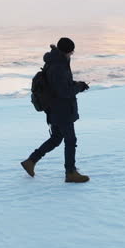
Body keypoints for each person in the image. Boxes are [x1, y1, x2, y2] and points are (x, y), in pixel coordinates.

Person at [21, 37, 90, 183]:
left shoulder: (56, 61)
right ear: (67, 51)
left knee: (56, 138)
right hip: (61, 109)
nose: (72, 54)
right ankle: (70, 172)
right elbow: (63, 92)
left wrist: (76, 84)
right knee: (70, 140)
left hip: (55, 108)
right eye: (71, 52)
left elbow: (61, 85)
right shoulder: (58, 66)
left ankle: (31, 161)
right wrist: (79, 87)